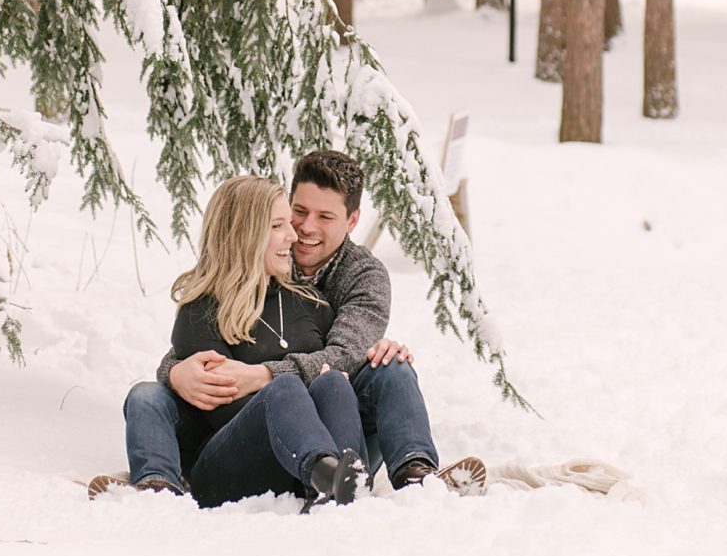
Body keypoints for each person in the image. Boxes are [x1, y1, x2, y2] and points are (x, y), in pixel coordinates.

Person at [114, 149, 485, 497]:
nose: (302, 230)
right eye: (296, 214)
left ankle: (415, 476)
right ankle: (158, 484)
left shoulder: (356, 279)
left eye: (325, 217)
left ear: (352, 221)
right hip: (244, 442)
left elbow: (342, 357)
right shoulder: (238, 282)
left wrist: (265, 376)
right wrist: (175, 372)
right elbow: (199, 342)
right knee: (147, 395)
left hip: (337, 420)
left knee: (389, 367)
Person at [152, 174, 367, 509]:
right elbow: (223, 411)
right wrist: (282, 386)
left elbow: (343, 362)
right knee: (285, 388)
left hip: (292, 468)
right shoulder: (201, 312)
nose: (293, 235)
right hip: (225, 471)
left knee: (333, 384)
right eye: (278, 225)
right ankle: (325, 475)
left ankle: (341, 485)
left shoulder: (307, 302)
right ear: (245, 234)